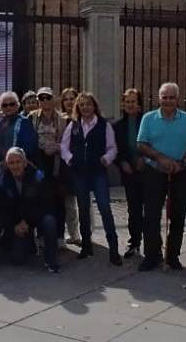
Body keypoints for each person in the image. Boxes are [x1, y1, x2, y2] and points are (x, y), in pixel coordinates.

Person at [136, 82, 186, 272]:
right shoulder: (148, 118)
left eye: (171, 97)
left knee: (177, 215)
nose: (168, 101)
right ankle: (151, 256)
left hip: (181, 172)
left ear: (178, 99)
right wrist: (160, 158)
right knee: (151, 215)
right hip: (155, 170)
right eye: (164, 97)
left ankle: (172, 256)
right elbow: (141, 144)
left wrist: (185, 162)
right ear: (159, 98)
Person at [61, 92, 122, 266]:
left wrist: (106, 159)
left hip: (97, 172)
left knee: (104, 208)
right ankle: (86, 246)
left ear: (94, 106)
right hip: (79, 172)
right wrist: (70, 159)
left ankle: (114, 248)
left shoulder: (104, 125)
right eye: (82, 105)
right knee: (83, 209)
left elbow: (112, 148)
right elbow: (64, 146)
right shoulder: (73, 125)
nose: (85, 107)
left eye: (88, 104)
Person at [0, 147, 61, 273]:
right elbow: (2, 209)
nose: (15, 166)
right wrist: (14, 227)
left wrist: (27, 221)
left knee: (49, 221)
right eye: (11, 163)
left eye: (18, 162)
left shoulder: (37, 177)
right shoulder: (4, 180)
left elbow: (46, 205)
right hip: (18, 222)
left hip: (36, 217)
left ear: (25, 163)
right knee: (18, 259)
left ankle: (51, 261)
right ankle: (30, 244)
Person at [26, 87, 73, 246]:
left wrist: (57, 147)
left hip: (57, 163)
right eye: (41, 98)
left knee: (58, 199)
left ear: (54, 100)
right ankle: (41, 235)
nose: (45, 101)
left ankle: (59, 235)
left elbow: (68, 143)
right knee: (40, 199)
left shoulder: (63, 119)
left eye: (48, 98)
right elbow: (29, 139)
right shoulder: (32, 117)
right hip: (39, 162)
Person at [114, 88, 145, 259]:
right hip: (129, 172)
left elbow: (155, 143)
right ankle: (134, 243)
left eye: (133, 101)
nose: (130, 105)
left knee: (150, 209)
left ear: (139, 104)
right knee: (133, 209)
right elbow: (114, 149)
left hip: (147, 171)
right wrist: (122, 162)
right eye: (127, 102)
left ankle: (153, 244)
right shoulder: (117, 126)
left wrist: (145, 159)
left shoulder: (147, 121)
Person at [0, 91, 37, 162]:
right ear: (0, 107)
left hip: (18, 163)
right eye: (5, 105)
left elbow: (29, 148)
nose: (8, 107)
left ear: (17, 105)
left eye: (12, 104)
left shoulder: (25, 122)